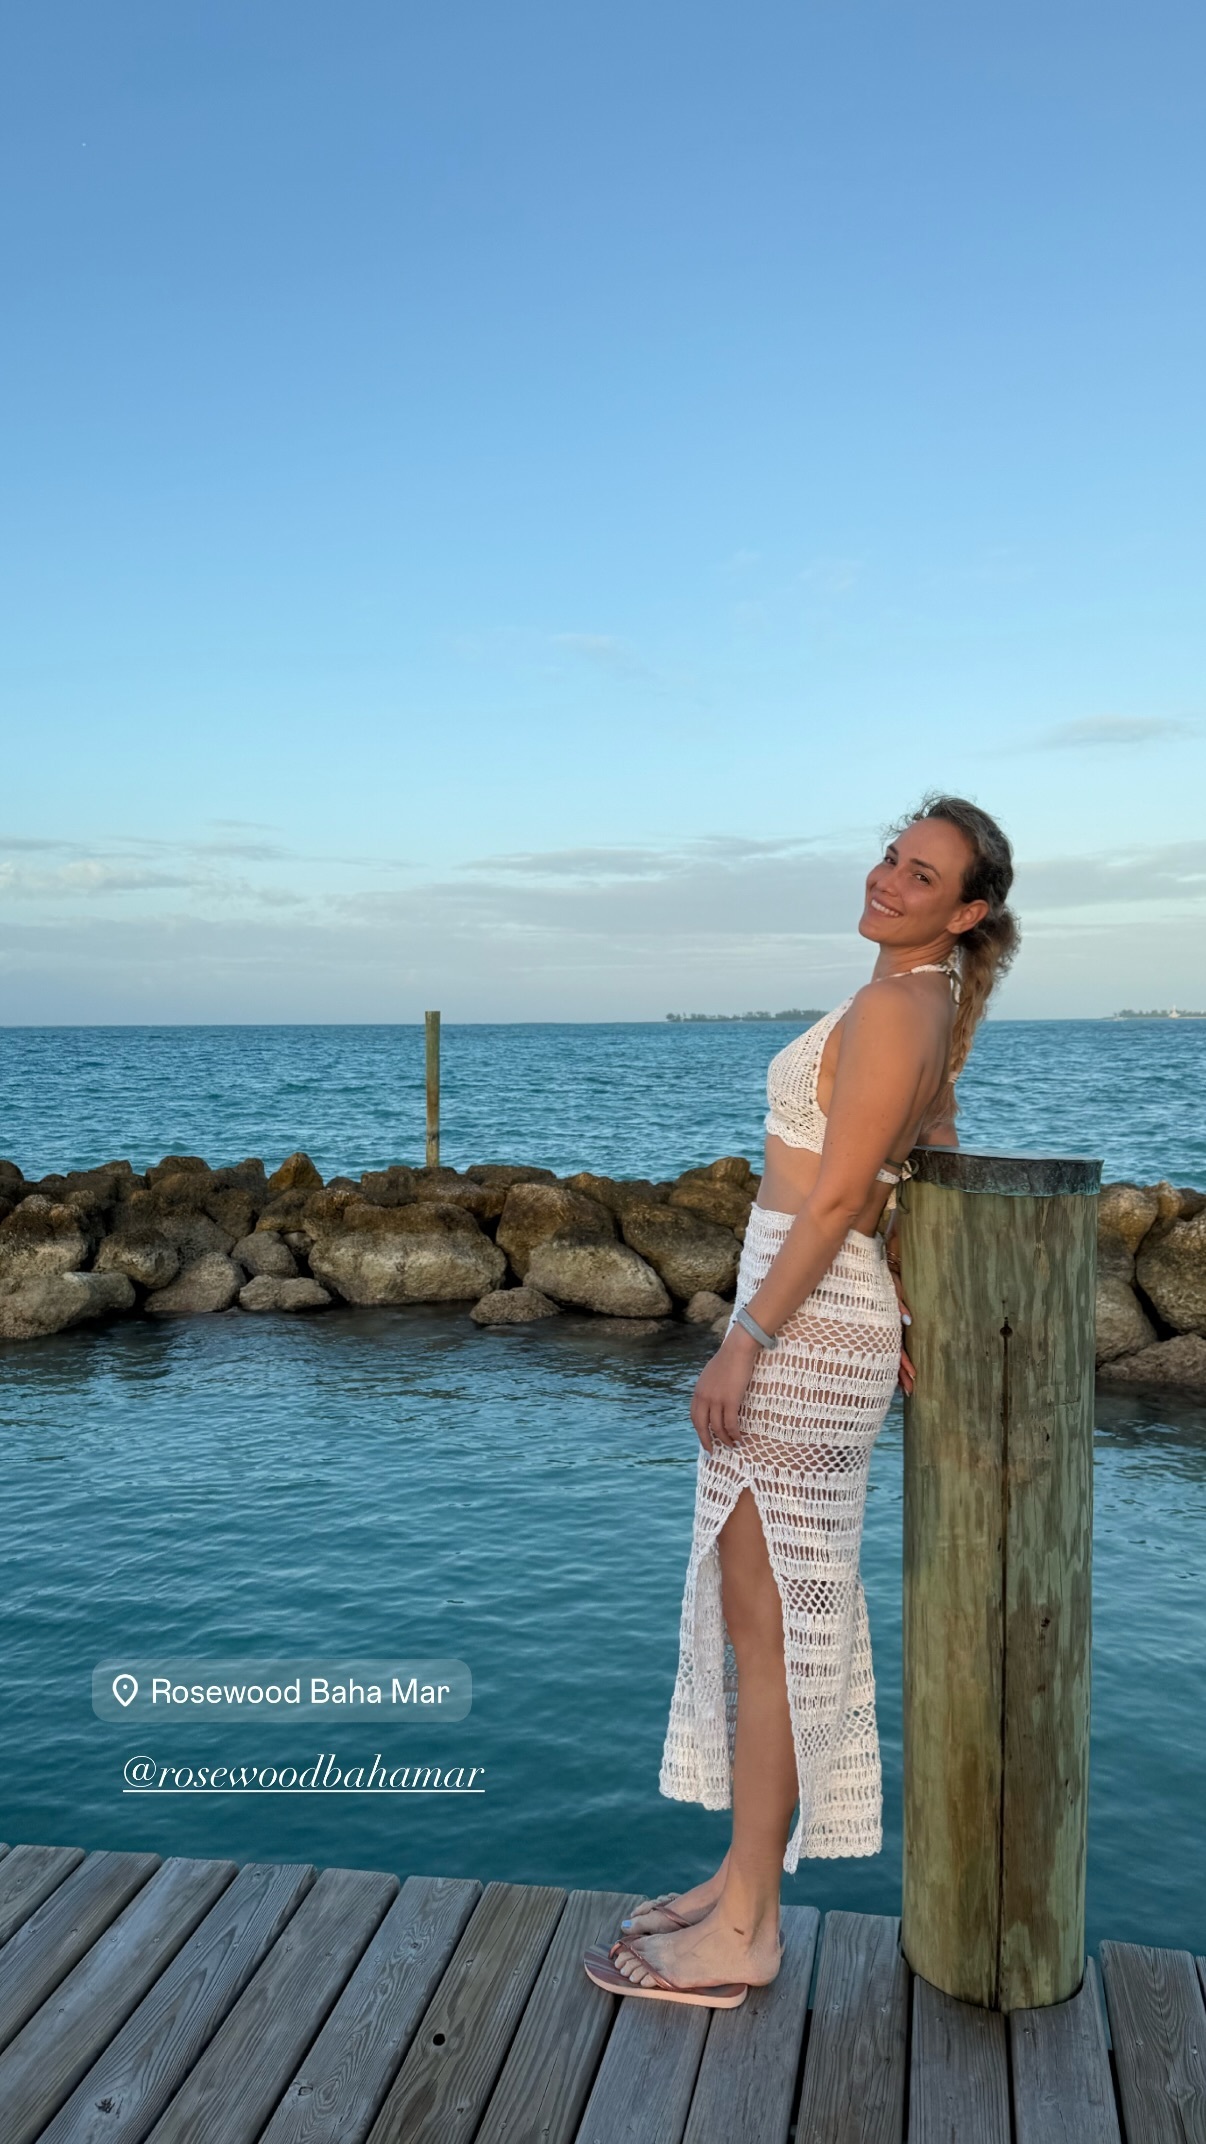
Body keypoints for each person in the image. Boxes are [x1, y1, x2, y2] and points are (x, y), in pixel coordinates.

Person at [582, 793, 1019, 2009]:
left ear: (966, 910)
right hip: (828, 1302)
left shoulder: (897, 1004)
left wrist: (746, 1341)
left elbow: (832, 1200)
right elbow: (926, 1159)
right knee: (763, 1619)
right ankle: (740, 1880)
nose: (888, 878)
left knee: (769, 1630)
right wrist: (906, 1297)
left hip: (802, 1317)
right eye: (891, 855)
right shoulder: (924, 1002)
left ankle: (748, 1929)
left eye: (922, 873)